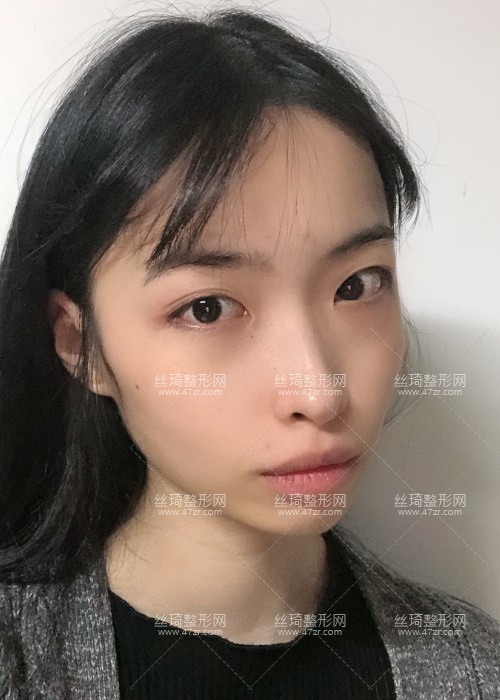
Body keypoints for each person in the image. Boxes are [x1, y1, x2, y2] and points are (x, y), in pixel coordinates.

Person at [0, 7, 498, 699]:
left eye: (356, 285)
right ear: (80, 344)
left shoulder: (470, 670)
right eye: (206, 308)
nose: (319, 393)